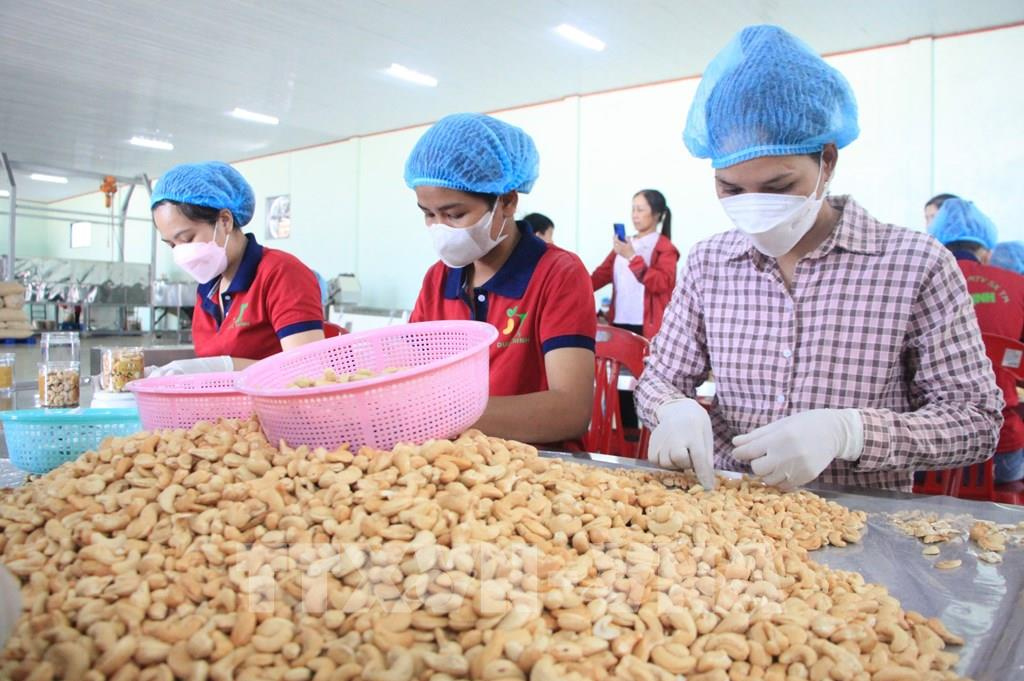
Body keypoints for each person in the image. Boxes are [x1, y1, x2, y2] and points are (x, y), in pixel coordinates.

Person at [635, 25, 1002, 492]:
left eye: (779, 187)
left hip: (860, 523)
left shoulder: (915, 264)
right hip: (729, 523)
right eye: (730, 188)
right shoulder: (710, 264)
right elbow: (658, 380)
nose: (755, 206)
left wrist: (851, 432)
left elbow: (975, 420)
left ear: (827, 161)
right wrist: (672, 408)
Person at [406, 113, 595, 446]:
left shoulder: (557, 274)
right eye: (428, 214)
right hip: (456, 464)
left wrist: (440, 414)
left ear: (507, 201)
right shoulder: (438, 281)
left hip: (541, 467)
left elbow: (570, 410)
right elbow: (412, 380)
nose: (440, 228)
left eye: (455, 214)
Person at [149, 162, 325, 375]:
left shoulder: (280, 273)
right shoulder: (208, 290)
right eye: (172, 245)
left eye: (187, 239)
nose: (181, 253)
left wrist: (223, 367)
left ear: (224, 221)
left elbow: (308, 370)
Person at [929, 199, 1024, 484]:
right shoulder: (1017, 285)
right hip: (1001, 452)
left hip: (927, 455)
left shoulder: (920, 280)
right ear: (985, 250)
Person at [590, 189, 680, 340]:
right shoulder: (625, 243)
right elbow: (600, 276)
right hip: (618, 323)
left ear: (656, 214)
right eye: (633, 209)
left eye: (640, 209)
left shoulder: (664, 247)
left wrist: (632, 257)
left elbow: (661, 283)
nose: (635, 214)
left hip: (648, 328)